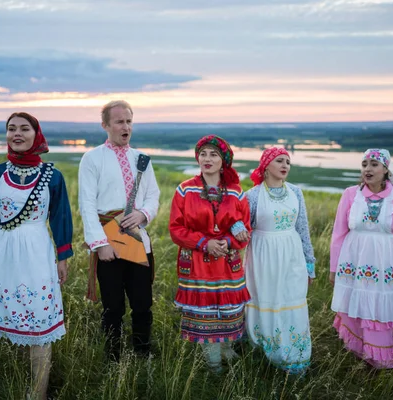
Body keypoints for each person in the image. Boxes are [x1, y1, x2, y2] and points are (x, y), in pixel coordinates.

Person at [0, 112, 73, 400]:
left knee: (40, 320)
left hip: (38, 252)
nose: (17, 134)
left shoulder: (53, 177)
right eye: (11, 129)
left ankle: (38, 392)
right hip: (4, 254)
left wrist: (63, 257)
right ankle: (22, 376)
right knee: (15, 314)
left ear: (36, 134)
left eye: (24, 129)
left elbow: (61, 218)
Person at [78, 100, 160, 361]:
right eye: (119, 122)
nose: (126, 127)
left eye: (129, 121)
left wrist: (143, 213)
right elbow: (87, 204)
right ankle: (113, 358)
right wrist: (99, 244)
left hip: (137, 239)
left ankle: (142, 354)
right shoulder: (91, 158)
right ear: (105, 125)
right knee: (113, 306)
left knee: (142, 304)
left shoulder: (142, 159)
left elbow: (153, 196)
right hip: (108, 241)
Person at [329, 148, 393, 369]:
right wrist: (334, 268)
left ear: (386, 169)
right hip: (354, 265)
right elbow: (338, 233)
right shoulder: (350, 194)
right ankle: (365, 359)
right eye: (364, 164)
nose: (367, 169)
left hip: (388, 266)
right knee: (358, 310)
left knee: (390, 312)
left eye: (374, 164)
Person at [169, 135, 251, 373]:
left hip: (227, 262)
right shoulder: (185, 190)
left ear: (223, 160)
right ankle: (212, 359)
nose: (207, 158)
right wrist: (205, 243)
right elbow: (176, 229)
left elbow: (246, 228)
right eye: (203, 154)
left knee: (228, 311)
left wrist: (226, 241)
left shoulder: (236, 192)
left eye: (213, 154)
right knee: (206, 312)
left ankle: (226, 348)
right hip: (197, 263)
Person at [243, 147, 316, 374]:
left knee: (291, 299)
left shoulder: (296, 192)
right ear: (265, 166)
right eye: (279, 161)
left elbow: (302, 229)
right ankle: (263, 352)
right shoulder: (252, 195)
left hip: (292, 255)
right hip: (262, 257)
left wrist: (309, 264)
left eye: (288, 161)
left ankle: (295, 356)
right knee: (265, 300)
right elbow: (245, 230)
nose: (285, 165)